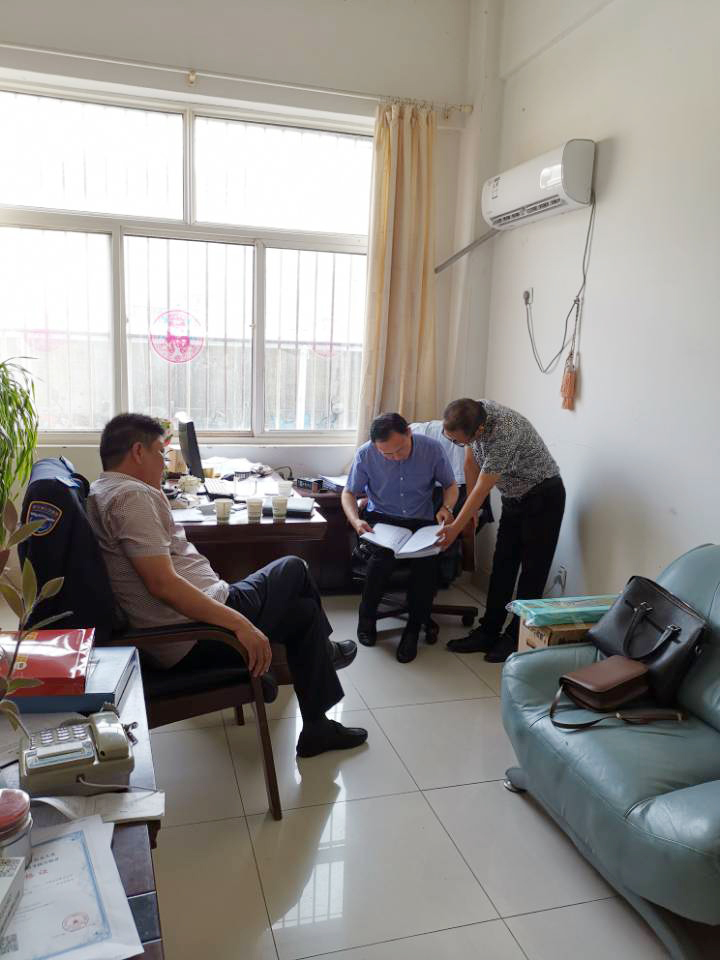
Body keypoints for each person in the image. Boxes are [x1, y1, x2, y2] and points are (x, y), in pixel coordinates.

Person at [88, 413, 367, 759]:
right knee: (294, 568)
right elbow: (162, 585)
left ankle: (317, 728)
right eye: (160, 452)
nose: (164, 462)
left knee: (303, 612)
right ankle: (327, 652)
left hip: (188, 623)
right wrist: (240, 624)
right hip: (192, 634)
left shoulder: (107, 489)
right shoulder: (130, 497)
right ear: (137, 452)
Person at [436, 398, 565, 663]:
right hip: (513, 497)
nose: (457, 444)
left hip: (543, 497)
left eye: (459, 441)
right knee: (502, 566)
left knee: (532, 573)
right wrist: (472, 511)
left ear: (479, 430)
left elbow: (484, 486)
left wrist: (456, 527)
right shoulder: (472, 411)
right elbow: (470, 464)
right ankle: (488, 630)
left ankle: (515, 636)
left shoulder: (505, 431)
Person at [341, 412, 458, 663]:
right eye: (387, 454)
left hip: (421, 521)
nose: (395, 457)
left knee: (426, 565)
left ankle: (413, 629)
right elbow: (349, 493)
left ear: (409, 433)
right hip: (382, 519)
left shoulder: (432, 449)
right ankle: (367, 618)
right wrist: (356, 520)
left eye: (400, 449)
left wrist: (446, 508)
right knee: (380, 560)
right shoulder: (366, 453)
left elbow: (450, 485)